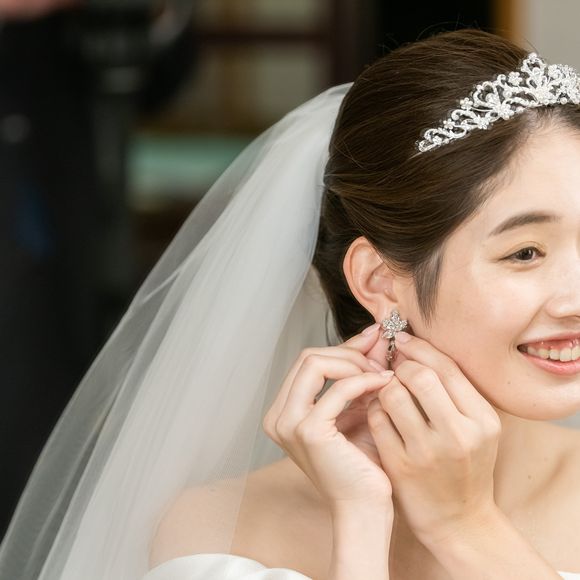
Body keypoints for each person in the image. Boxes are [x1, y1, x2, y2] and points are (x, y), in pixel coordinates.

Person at [2, 26, 580, 579]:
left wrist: (466, 527)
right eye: (526, 253)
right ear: (379, 281)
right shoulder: (215, 531)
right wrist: (359, 521)